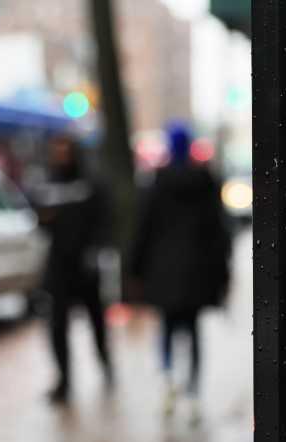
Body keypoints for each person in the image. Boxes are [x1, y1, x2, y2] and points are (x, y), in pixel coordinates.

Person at [131, 122, 231, 421]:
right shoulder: (206, 181)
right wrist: (223, 272)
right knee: (193, 331)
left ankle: (168, 380)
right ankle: (193, 393)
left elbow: (143, 228)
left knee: (167, 327)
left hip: (163, 272)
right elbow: (219, 230)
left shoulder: (156, 182)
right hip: (197, 273)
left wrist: (135, 268)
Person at [34, 134, 113, 404]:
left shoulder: (90, 184)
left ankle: (105, 365)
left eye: (65, 151)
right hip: (59, 266)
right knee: (57, 326)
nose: (61, 156)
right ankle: (64, 380)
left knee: (97, 321)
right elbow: (40, 219)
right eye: (57, 151)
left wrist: (96, 249)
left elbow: (104, 219)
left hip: (86, 266)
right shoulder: (48, 184)